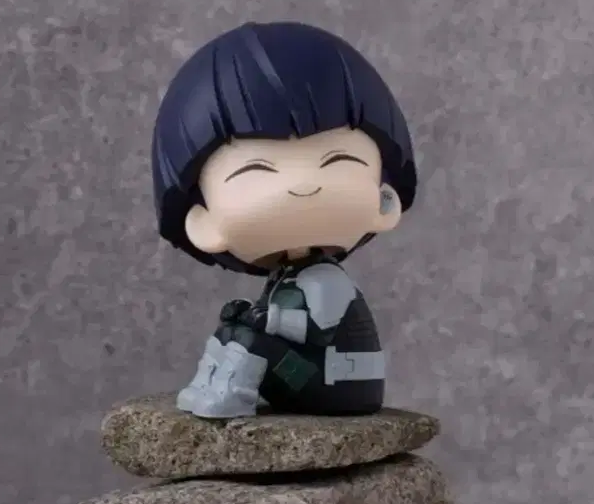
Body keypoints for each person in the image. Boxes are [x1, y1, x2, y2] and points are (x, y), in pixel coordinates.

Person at [152, 21, 417, 418]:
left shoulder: (326, 279)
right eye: (257, 170)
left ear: (385, 201)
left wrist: (266, 319)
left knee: (253, 341)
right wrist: (249, 317)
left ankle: (233, 397)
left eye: (338, 161)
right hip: (315, 379)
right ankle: (209, 387)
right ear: (204, 224)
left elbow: (317, 330)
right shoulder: (286, 279)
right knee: (233, 332)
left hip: (341, 385)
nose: (302, 186)